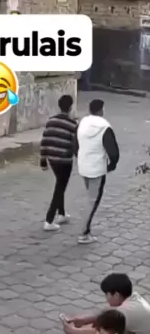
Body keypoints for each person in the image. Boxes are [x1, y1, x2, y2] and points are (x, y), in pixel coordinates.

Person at [64, 273, 150, 334]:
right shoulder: (134, 298)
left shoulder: (125, 312)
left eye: (107, 295)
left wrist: (72, 331)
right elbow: (109, 311)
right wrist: (85, 320)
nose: (106, 299)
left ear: (116, 295)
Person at [74, 99, 120, 244]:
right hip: (97, 169)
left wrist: (81, 157)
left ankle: (86, 230)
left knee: (90, 197)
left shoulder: (82, 123)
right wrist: (112, 165)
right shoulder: (105, 127)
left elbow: (74, 144)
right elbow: (113, 151)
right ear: (101, 110)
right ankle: (83, 233)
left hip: (83, 166)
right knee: (92, 201)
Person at [40, 95, 78, 232]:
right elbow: (75, 145)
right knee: (60, 188)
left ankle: (61, 214)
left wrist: (43, 160)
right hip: (65, 161)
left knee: (59, 184)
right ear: (71, 107)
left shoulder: (51, 121)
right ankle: (49, 220)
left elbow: (44, 140)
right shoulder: (73, 125)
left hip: (52, 159)